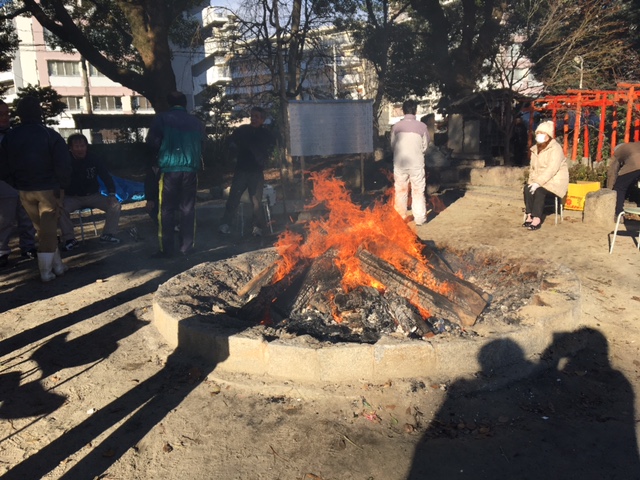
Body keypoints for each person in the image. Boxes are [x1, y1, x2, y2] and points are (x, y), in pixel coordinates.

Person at [0, 96, 72, 281]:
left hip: (24, 190)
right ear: (39, 113)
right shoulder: (49, 134)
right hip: (48, 189)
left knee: (42, 230)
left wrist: (15, 183)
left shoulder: (10, 136)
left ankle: (57, 266)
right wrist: (63, 186)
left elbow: (3, 166)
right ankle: (46, 272)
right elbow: (63, 163)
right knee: (48, 230)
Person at [146, 91, 205, 257]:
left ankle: (166, 249)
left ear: (169, 104)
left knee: (166, 209)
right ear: (185, 104)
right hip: (190, 170)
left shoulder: (162, 119)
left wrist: (157, 159)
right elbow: (203, 144)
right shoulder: (196, 122)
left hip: (170, 170)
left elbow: (152, 143)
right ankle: (186, 247)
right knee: (188, 208)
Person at [57, 134, 122, 251]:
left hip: (93, 195)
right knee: (60, 209)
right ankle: (69, 239)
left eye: (82, 146)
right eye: (76, 146)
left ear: (86, 146)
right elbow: (59, 180)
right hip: (72, 197)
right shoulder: (65, 160)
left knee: (115, 205)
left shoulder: (94, 158)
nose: (80, 149)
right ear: (70, 148)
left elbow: (106, 176)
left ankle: (108, 234)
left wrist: (111, 194)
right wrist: (59, 198)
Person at [218, 106, 275, 237]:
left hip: (256, 172)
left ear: (262, 120)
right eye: (252, 116)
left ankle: (256, 226)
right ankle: (225, 224)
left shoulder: (266, 134)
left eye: (257, 117)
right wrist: (232, 148)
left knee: (256, 201)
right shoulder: (242, 131)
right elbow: (230, 141)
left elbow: (272, 146)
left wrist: (265, 157)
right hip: (242, 170)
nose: (253, 119)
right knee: (234, 198)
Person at [0, 100, 37, 268]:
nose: (5, 118)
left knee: (26, 216)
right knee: (4, 219)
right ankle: (2, 251)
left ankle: (28, 246)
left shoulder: (14, 133)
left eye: (7, 114)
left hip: (22, 181)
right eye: (1, 115)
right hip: (3, 183)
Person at [523, 120, 569, 230]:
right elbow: (533, 169)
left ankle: (537, 218)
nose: (539, 136)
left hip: (554, 181)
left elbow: (551, 169)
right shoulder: (535, 149)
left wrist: (538, 183)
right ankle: (529, 214)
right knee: (527, 188)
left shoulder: (555, 149)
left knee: (539, 191)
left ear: (548, 136)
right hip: (540, 180)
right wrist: (532, 182)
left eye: (543, 133)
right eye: (538, 133)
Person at [391, 99, 429, 226]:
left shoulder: (396, 127)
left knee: (400, 190)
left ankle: (400, 217)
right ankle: (420, 219)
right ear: (416, 111)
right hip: (417, 164)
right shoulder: (422, 127)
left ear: (403, 111)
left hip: (400, 164)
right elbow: (425, 146)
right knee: (418, 191)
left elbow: (392, 145)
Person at [606, 142, 640, 218]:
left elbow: (612, 171)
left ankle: (619, 214)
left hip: (635, 164)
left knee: (619, 188)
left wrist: (610, 189)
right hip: (636, 164)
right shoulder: (634, 145)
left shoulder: (618, 152)